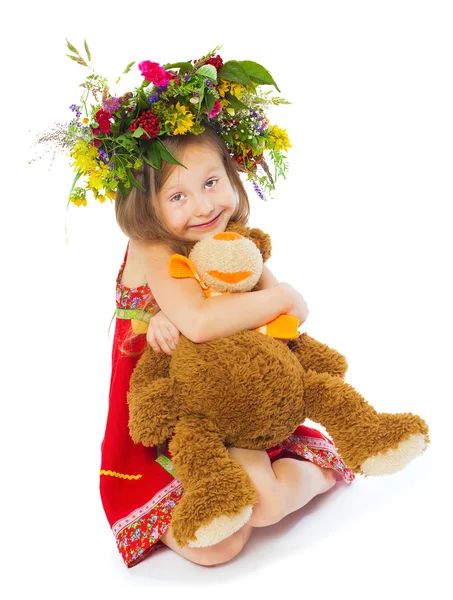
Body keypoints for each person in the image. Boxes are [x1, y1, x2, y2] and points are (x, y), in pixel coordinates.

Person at [58, 43, 354, 568]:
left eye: (211, 183)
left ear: (230, 176)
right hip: (167, 406)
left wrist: (279, 300)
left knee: (261, 506)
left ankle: (313, 472)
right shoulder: (153, 247)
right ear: (144, 206)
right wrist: (279, 298)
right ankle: (232, 488)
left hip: (231, 392)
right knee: (220, 547)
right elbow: (200, 320)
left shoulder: (230, 239)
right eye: (178, 196)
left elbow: (287, 317)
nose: (203, 206)